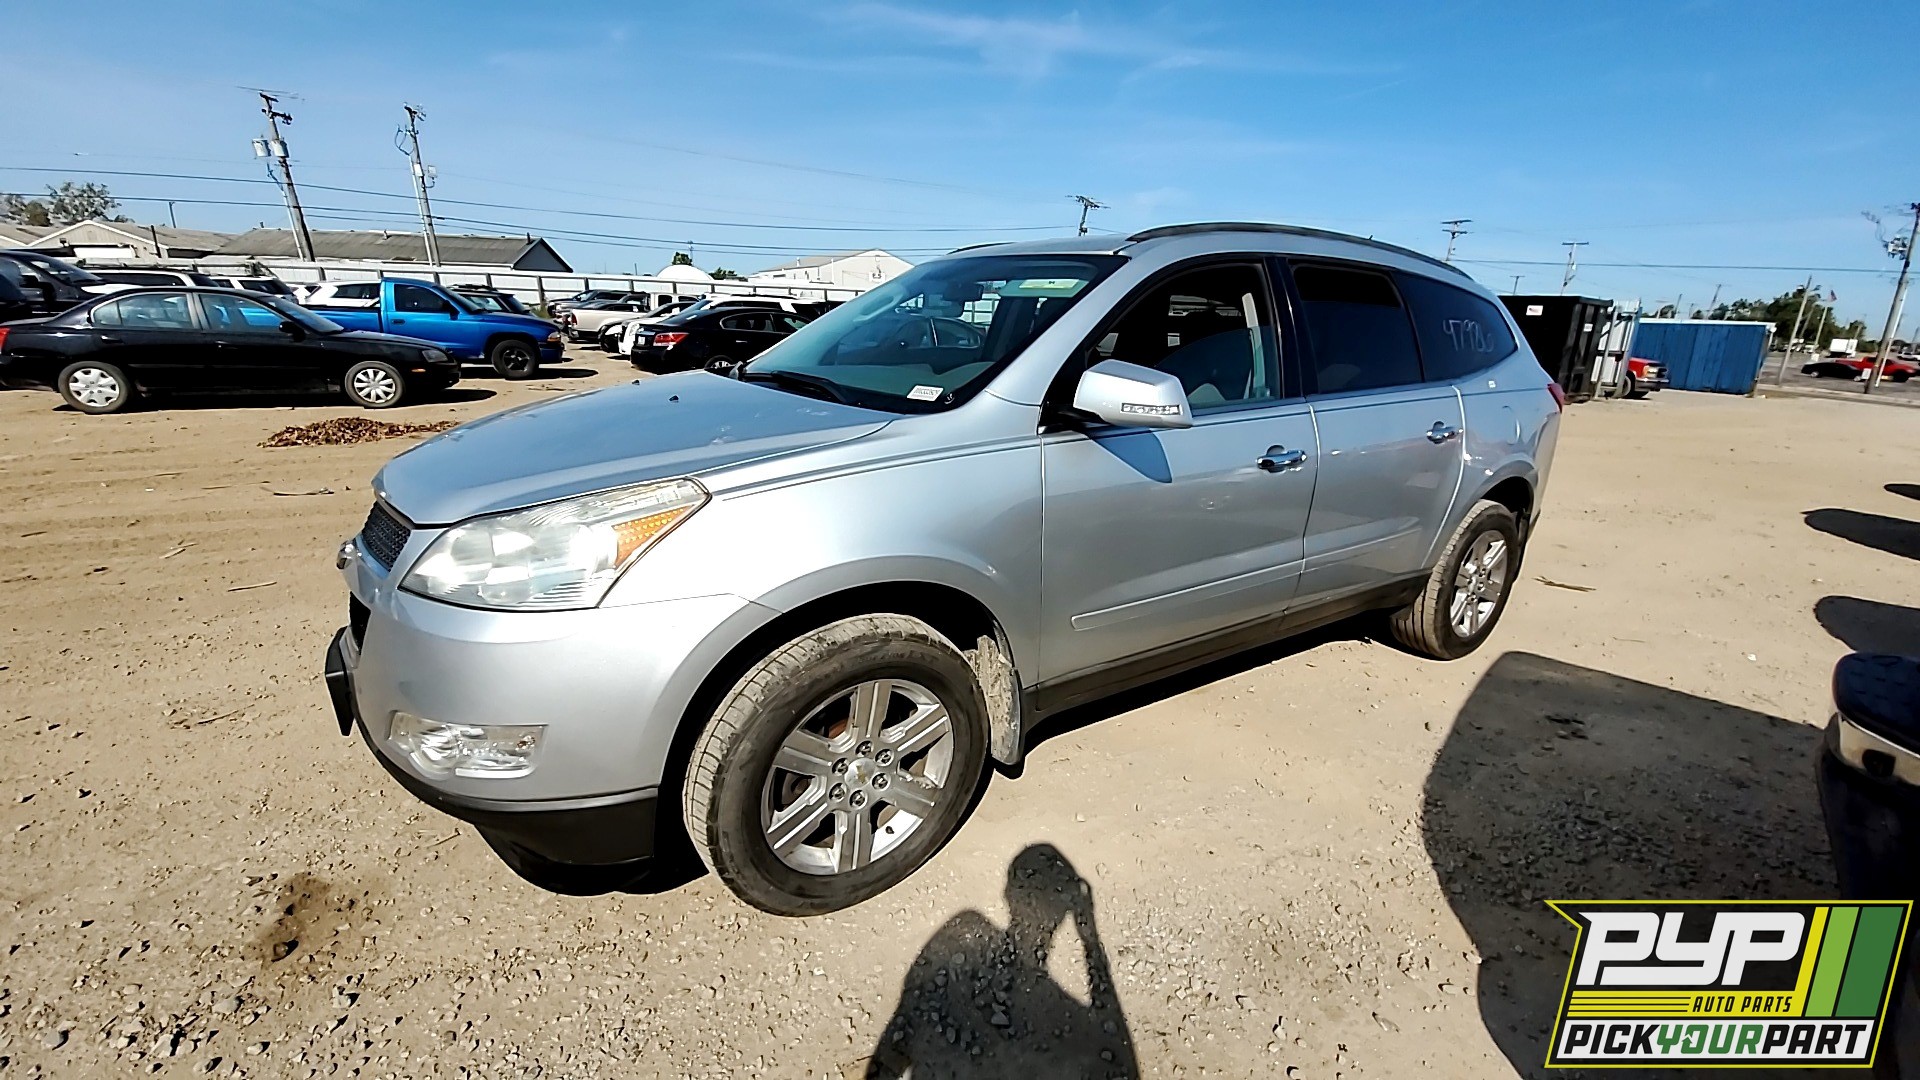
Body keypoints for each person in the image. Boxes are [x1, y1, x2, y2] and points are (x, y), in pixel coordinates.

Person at [866, 844, 1137, 1080]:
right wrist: (1089, 938)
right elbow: (1120, 1058)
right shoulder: (1059, 1015)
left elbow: (898, 1034)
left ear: (1008, 894)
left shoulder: (963, 935)